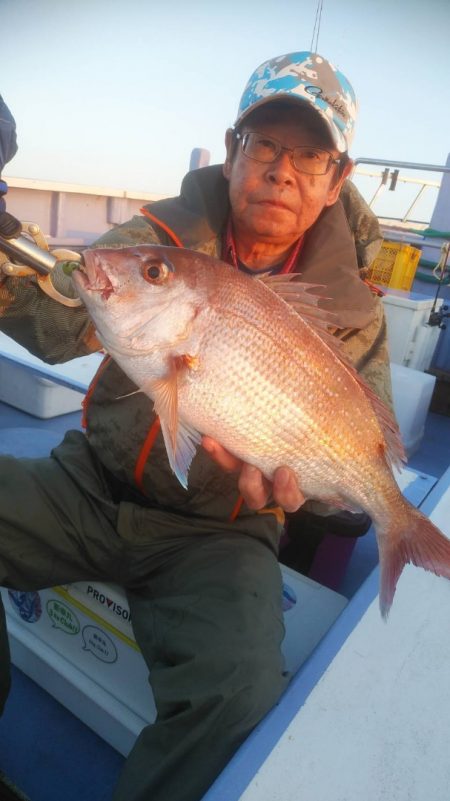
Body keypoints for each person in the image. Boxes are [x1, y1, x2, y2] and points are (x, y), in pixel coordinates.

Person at [0, 51, 392, 801]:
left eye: (310, 155)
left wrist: (318, 497)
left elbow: (353, 465)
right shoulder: (159, 242)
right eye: (265, 143)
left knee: (240, 696)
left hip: (222, 533)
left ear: (337, 178)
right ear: (234, 147)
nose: (282, 171)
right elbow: (59, 320)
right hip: (90, 481)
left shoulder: (357, 315)